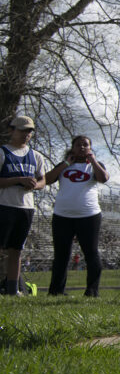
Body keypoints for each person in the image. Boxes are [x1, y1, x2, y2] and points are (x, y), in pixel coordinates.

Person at [44, 135, 110, 296]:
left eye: (85, 145)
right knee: (61, 255)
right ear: (72, 147)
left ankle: (92, 291)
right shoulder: (64, 165)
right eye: (78, 145)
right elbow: (47, 179)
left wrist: (93, 161)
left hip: (88, 215)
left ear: (90, 148)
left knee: (91, 253)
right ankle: (56, 291)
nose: (82, 147)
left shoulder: (94, 166)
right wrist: (67, 163)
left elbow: (104, 178)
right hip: (62, 215)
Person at [0, 116, 45, 296]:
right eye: (22, 130)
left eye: (29, 131)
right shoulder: (3, 152)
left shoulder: (36, 156)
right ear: (12, 130)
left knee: (16, 250)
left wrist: (34, 184)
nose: (26, 134)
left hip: (25, 207)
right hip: (4, 205)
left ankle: (12, 289)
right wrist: (17, 180)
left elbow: (43, 180)